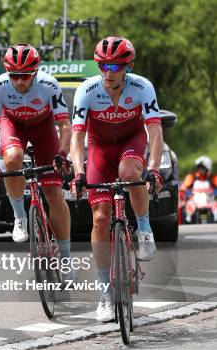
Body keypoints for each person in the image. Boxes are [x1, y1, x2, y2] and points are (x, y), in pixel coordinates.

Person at [69, 36, 164, 322]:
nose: (108, 72)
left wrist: (155, 168)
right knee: (100, 219)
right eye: (103, 65)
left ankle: (144, 230)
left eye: (114, 65)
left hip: (130, 142)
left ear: (127, 66)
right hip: (99, 149)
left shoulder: (142, 87)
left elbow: (155, 133)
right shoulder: (87, 90)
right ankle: (106, 293)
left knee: (129, 173)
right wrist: (78, 172)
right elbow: (77, 138)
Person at [0, 44, 73, 262]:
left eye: (25, 76)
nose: (19, 81)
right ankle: (20, 216)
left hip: (43, 128)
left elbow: (65, 126)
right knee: (12, 158)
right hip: (12, 124)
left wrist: (61, 153)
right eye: (14, 75)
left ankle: (66, 258)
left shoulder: (49, 85)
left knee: (53, 194)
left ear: (35, 72)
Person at [179, 155, 217, 222]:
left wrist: (215, 193)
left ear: (208, 168)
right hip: (194, 201)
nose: (200, 169)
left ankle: (216, 219)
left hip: (209, 201)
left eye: (202, 168)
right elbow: (183, 188)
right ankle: (187, 221)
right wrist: (186, 194)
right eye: (199, 167)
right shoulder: (191, 177)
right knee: (186, 207)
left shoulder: (213, 178)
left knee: (216, 206)